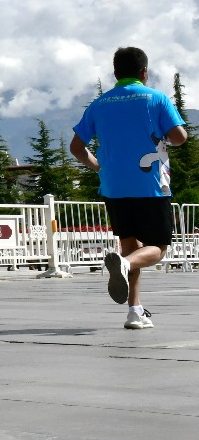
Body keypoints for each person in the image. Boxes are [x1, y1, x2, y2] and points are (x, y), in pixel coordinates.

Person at [70, 47, 187, 329]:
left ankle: (135, 311)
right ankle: (124, 266)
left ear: (115, 73)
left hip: (114, 186)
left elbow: (76, 148)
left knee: (130, 245)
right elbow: (180, 137)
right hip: (151, 184)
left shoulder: (99, 104)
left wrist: (99, 166)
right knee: (158, 248)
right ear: (144, 72)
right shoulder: (157, 98)